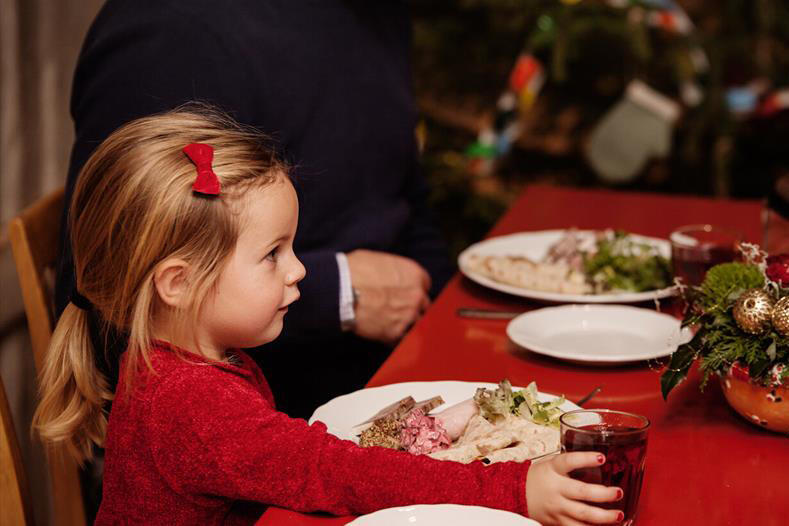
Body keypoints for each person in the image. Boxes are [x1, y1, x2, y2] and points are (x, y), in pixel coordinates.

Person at [35, 109, 624, 525]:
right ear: (178, 284)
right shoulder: (194, 404)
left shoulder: (182, 364)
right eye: (272, 255)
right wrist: (518, 489)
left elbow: (290, 460)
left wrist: (426, 431)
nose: (299, 271)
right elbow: (333, 472)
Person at [56, 0, 454, 419]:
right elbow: (113, 286)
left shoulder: (375, 15)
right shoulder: (171, 29)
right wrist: (336, 293)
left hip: (399, 364)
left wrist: (449, 328)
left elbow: (408, 194)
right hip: (269, 403)